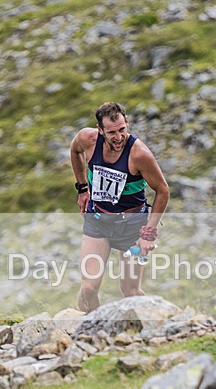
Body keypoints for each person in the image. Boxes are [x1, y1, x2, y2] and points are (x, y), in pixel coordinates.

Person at [70, 102, 170, 312]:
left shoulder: (139, 154)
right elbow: (75, 149)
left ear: (127, 123)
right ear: (100, 130)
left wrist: (149, 233)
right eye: (112, 132)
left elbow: (163, 190)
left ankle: (149, 332)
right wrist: (82, 188)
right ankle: (87, 332)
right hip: (98, 221)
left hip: (132, 227)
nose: (118, 137)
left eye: (122, 130)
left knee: (130, 291)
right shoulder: (87, 139)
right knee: (88, 288)